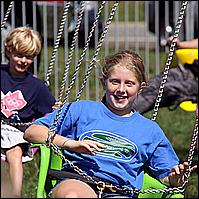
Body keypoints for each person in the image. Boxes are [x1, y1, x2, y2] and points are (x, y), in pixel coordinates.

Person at [24, 50, 197, 198]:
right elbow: (32, 131)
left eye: (129, 84)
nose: (121, 89)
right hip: (78, 181)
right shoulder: (82, 110)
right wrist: (71, 144)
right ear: (103, 82)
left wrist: (175, 178)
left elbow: (167, 175)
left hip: (120, 191)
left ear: (141, 88)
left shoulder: (150, 131)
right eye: (115, 81)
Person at [1, 26, 56, 197]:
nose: (23, 60)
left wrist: (56, 108)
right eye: (19, 55)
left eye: (29, 57)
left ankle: (15, 194)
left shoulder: (37, 87)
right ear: (8, 52)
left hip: (17, 129)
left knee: (15, 152)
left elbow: (50, 109)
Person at [132, 37, 198, 114]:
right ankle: (121, 112)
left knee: (165, 89)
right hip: (191, 70)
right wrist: (180, 45)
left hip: (195, 84)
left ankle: (126, 116)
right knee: (155, 83)